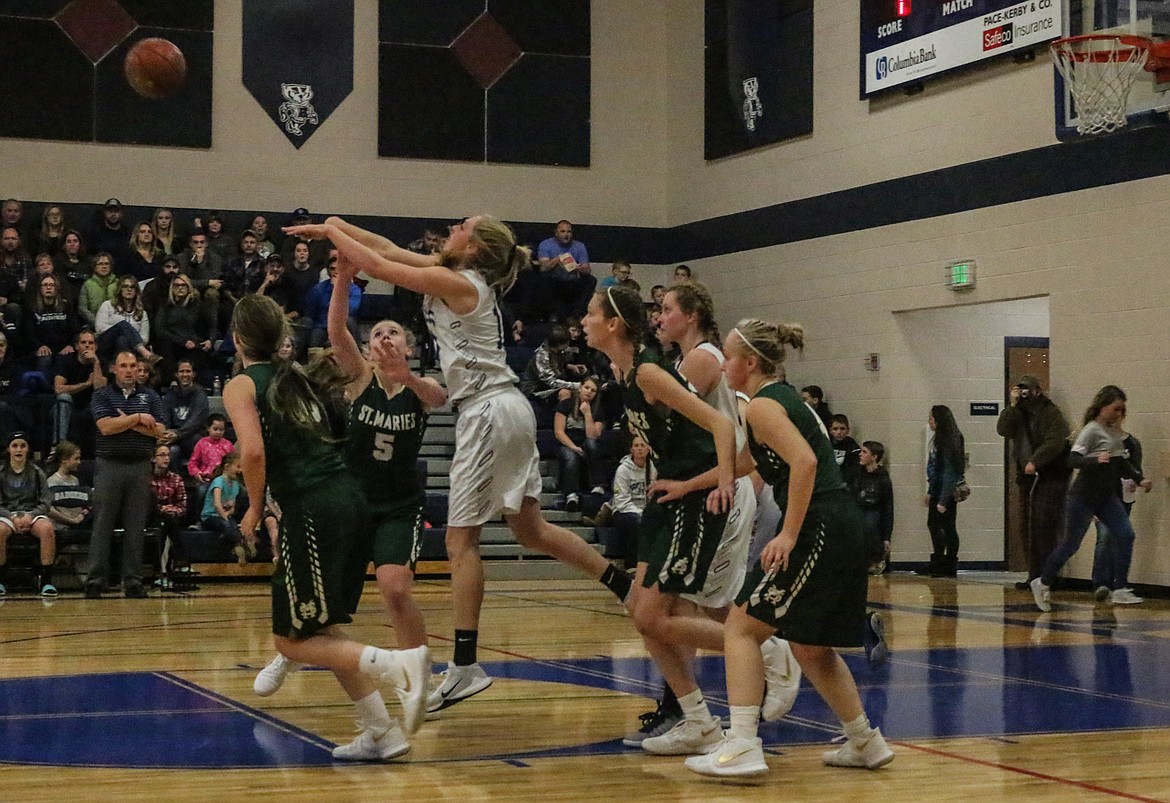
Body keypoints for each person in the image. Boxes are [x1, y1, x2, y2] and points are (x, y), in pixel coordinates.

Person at [285, 214, 633, 716]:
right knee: (531, 530)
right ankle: (622, 584)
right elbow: (383, 246)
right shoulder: (452, 272)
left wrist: (336, 230)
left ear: (472, 248)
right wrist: (339, 229)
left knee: (459, 541)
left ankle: (466, 666)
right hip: (503, 406)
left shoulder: (458, 281)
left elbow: (378, 263)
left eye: (462, 227)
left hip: (487, 409)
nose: (453, 228)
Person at [222, 293, 429, 760]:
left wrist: (255, 509)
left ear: (238, 340)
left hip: (312, 505)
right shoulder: (294, 374)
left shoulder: (241, 383)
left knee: (290, 639)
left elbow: (251, 452)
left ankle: (398, 665)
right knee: (323, 626)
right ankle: (382, 731)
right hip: (345, 495)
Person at [685, 320, 893, 778]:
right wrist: (690, 484)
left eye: (728, 355)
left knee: (740, 628)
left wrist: (789, 533)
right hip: (841, 524)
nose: (721, 363)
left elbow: (805, 461)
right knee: (811, 647)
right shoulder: (781, 400)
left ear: (751, 363)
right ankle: (865, 742)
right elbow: (749, 462)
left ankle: (741, 744)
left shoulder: (762, 405)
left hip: (819, 523)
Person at [253, 268, 446, 702]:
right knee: (324, 593)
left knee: (396, 588)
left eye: (393, 332)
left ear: (409, 346)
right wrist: (343, 277)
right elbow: (336, 326)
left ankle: (420, 678)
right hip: (351, 502)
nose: (384, 338)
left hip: (398, 505)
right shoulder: (360, 378)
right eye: (377, 333)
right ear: (368, 348)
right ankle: (290, 651)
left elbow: (440, 398)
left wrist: (408, 376)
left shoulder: (420, 389)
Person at [582, 284, 749, 756]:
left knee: (653, 614)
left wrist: (723, 482)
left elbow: (721, 425)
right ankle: (697, 720)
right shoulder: (623, 371)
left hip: (692, 497)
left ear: (614, 324)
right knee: (646, 615)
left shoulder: (651, 373)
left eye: (590, 314)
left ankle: (759, 649)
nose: (583, 322)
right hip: (664, 498)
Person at [1030, 386, 1151, 612]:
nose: (1119, 414)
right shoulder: (1091, 430)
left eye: (1123, 410)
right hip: (1082, 498)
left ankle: (1121, 588)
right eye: (1116, 408)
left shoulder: (1113, 432)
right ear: (1103, 406)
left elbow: (1121, 462)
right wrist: (1095, 460)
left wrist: (1140, 479)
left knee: (1126, 534)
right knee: (1070, 546)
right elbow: (1072, 460)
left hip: (1105, 498)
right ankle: (1042, 581)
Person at [85, 350, 167, 599]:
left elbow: (160, 431)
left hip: (140, 465)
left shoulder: (150, 396)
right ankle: (95, 580)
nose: (129, 370)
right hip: (109, 465)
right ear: (114, 369)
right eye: (124, 366)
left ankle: (132, 580)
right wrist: (139, 418)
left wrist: (127, 422)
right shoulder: (102, 395)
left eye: (133, 365)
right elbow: (106, 427)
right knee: (103, 524)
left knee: (136, 525)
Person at [996, 374, 1073, 588]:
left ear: (1038, 390)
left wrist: (1036, 461)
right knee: (1027, 525)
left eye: (1028, 390)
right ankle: (1034, 573)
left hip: (1048, 476)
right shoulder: (1018, 413)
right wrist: (1012, 406)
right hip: (1025, 477)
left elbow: (1055, 441)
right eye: (1021, 390)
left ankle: (1048, 575)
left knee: (1043, 525)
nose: (1025, 394)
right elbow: (1003, 429)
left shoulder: (1050, 413)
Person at [1091, 420, 1150, 602]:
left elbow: (1134, 469)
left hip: (1123, 497)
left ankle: (1120, 584)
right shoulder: (1099, 444)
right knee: (1105, 537)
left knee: (1122, 538)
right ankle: (1101, 583)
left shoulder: (1132, 444)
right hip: (1103, 498)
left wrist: (1138, 481)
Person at [0, 431, 57, 597]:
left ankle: (46, 581)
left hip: (32, 513)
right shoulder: (1, 472)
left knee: (47, 529)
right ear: (9, 449)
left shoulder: (37, 472)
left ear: (27, 449)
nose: (19, 449)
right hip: (7, 514)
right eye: (15, 446)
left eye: (22, 446)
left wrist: (31, 516)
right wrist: (11, 517)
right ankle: (1, 580)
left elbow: (46, 502)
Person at [922, 405, 965, 578]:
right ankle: (940, 561)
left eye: (931, 418)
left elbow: (949, 472)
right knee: (936, 525)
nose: (929, 422)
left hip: (945, 491)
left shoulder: (950, 440)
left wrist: (942, 500)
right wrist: (931, 491)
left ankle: (947, 563)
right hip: (938, 488)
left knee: (946, 527)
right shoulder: (942, 439)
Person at [553, 376, 605, 511]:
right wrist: (574, 447)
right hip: (567, 443)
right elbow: (559, 432)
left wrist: (587, 414)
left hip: (586, 443)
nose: (589, 392)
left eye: (593, 390)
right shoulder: (566, 404)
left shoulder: (598, 410)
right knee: (570, 456)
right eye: (586, 387)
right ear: (580, 387)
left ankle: (597, 485)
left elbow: (593, 436)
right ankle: (571, 495)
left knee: (592, 444)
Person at [52, 330, 105, 450]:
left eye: (91, 343)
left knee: (99, 400)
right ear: (76, 346)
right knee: (64, 398)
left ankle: (101, 449)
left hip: (89, 407)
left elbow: (101, 390)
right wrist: (86, 384)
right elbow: (58, 389)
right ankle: (59, 447)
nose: (87, 345)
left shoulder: (101, 361)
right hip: (67, 407)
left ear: (95, 347)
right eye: (83, 342)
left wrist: (96, 363)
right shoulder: (65, 360)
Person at [148, 444, 190, 587]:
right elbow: (145, 503)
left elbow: (183, 504)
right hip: (151, 517)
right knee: (166, 523)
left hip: (171, 518)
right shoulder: (146, 479)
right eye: (162, 455)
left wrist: (169, 510)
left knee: (167, 523)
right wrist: (161, 509)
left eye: (168, 455)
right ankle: (181, 559)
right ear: (153, 458)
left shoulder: (176, 478)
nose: (166, 458)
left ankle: (160, 572)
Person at [200, 452, 253, 565]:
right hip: (210, 516)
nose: (240, 471)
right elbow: (217, 504)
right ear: (227, 467)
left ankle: (239, 547)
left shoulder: (235, 484)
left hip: (225, 516)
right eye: (238, 466)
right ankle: (242, 544)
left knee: (233, 527)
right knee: (227, 525)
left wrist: (228, 516)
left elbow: (232, 508)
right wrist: (226, 519)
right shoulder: (218, 481)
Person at [536, 219, 595, 320]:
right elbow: (543, 267)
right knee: (543, 279)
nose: (566, 235)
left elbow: (587, 269)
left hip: (572, 281)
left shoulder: (579, 246)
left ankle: (578, 313)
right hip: (554, 282)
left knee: (590, 280)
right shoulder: (545, 245)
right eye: (562, 231)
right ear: (556, 233)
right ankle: (552, 313)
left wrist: (578, 269)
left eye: (569, 231)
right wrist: (558, 259)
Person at [94, 275, 157, 365]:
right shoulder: (107, 305)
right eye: (125, 286)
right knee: (123, 325)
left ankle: (120, 365)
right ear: (120, 289)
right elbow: (99, 328)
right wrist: (121, 329)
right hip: (106, 343)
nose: (129, 289)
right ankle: (146, 354)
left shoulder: (142, 313)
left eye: (132, 287)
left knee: (122, 339)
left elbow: (145, 338)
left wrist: (129, 336)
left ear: (136, 291)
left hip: (129, 346)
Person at [24, 274, 79, 375]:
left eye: (51, 285)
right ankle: (44, 390)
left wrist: (70, 345)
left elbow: (75, 330)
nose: (48, 287)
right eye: (44, 285)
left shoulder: (66, 307)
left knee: (67, 358)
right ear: (40, 289)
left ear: (56, 288)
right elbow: (30, 333)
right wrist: (40, 346)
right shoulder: (33, 309)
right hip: (42, 348)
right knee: (45, 359)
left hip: (64, 347)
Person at [855, 441, 894, 575]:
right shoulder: (858, 473)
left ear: (874, 457)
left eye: (864, 452)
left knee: (870, 522)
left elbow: (888, 507)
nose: (860, 454)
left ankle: (876, 558)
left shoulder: (883, 478)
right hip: (858, 508)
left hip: (873, 510)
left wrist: (886, 537)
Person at [160, 359, 209, 464]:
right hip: (173, 437)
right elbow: (164, 418)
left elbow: (196, 420)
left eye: (188, 371)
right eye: (181, 371)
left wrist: (179, 434)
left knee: (197, 440)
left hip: (191, 436)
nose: (185, 374)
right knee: (172, 451)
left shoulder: (200, 395)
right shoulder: (170, 395)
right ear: (176, 374)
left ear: (194, 374)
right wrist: (166, 434)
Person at [47, 439, 91, 534]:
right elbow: (49, 509)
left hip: (77, 525)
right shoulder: (52, 481)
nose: (79, 462)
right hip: (59, 528)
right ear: (64, 460)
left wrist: (83, 512)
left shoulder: (75, 480)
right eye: (76, 458)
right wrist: (70, 520)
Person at [187, 413, 234, 497]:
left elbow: (233, 462)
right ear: (208, 428)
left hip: (224, 479)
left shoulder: (228, 445)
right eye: (215, 429)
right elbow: (192, 463)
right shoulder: (202, 443)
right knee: (202, 491)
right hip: (206, 479)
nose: (218, 432)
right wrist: (197, 473)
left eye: (221, 429)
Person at [79, 252, 118, 329]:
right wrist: (97, 322)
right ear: (94, 267)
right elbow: (82, 309)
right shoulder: (87, 284)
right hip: (94, 326)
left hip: (116, 324)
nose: (104, 266)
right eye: (100, 264)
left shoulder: (118, 283)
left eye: (107, 264)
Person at [829, 414, 862, 494]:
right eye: (835, 429)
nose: (839, 432)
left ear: (848, 430)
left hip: (845, 486)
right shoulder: (825, 445)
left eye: (842, 429)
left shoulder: (853, 448)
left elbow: (854, 471)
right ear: (830, 430)